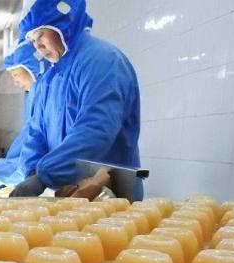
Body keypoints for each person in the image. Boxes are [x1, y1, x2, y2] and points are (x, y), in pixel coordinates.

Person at [10, 0, 142, 200]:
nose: (38, 47)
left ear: (61, 23)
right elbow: (37, 133)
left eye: (40, 35)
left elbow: (95, 130)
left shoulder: (101, 61)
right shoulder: (49, 80)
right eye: (32, 41)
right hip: (71, 195)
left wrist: (45, 176)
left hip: (111, 197)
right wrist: (31, 172)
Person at [0, 40, 45, 185]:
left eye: (16, 75)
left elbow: (36, 137)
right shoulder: (34, 95)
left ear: (33, 68)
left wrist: (12, 168)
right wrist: (9, 165)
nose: (15, 82)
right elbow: (28, 135)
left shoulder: (44, 94)